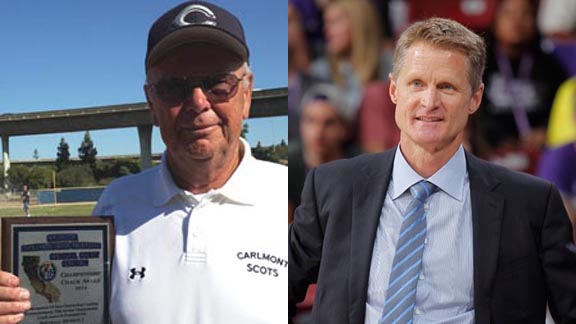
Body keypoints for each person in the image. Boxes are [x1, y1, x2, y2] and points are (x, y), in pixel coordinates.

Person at [0, 1, 286, 324]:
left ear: (246, 94)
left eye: (219, 83)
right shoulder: (114, 205)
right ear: (152, 104)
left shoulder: (297, 201)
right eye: (173, 87)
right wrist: (18, 308)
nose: (197, 101)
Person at [289, 17, 576, 323]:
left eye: (447, 87)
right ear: (394, 91)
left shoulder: (531, 203)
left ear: (475, 99)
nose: (429, 102)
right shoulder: (332, 186)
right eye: (417, 84)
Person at [470, 0, 567, 173]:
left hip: (539, 154)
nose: (517, 21)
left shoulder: (549, 65)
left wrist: (546, 131)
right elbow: (470, 112)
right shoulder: (478, 62)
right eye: (509, 13)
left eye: (525, 14)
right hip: (488, 151)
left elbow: (563, 110)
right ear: (496, 18)